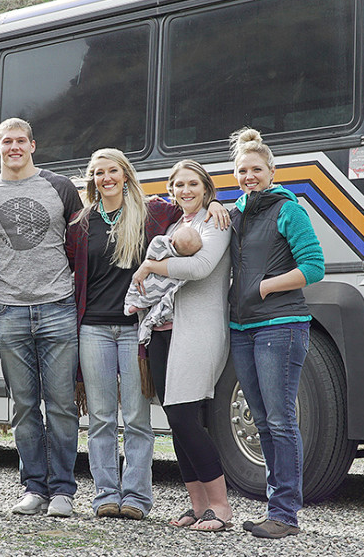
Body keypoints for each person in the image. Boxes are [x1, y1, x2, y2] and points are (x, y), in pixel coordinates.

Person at [66, 149, 228, 520]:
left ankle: (137, 498)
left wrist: (218, 201)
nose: (106, 178)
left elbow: (191, 205)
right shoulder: (81, 222)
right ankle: (106, 495)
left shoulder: (154, 212)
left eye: (113, 171)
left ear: (125, 174)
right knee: (103, 417)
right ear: (92, 179)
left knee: (138, 418)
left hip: (135, 330)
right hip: (93, 328)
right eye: (99, 173)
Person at [0, 117, 83, 518]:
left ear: (33, 145)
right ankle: (33, 488)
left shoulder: (60, 188)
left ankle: (63, 490)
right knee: (23, 406)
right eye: (6, 141)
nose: (14, 147)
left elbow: (83, 242)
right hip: (9, 310)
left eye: (20, 140)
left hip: (58, 305)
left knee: (61, 405)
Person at [226, 128, 324, 539]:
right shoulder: (236, 211)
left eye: (256, 169)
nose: (249, 176)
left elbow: (314, 266)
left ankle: (285, 514)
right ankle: (276, 508)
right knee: (264, 421)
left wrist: (265, 286)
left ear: (271, 171)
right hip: (242, 328)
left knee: (282, 421)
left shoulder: (288, 209)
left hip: (280, 326)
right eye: (242, 170)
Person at [129, 159, 233, 531]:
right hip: (162, 331)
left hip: (198, 330)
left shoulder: (217, 221)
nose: (185, 191)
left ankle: (220, 506)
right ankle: (197, 505)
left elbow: (201, 267)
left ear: (206, 188)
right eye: (178, 185)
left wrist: (150, 268)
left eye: (192, 184)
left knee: (187, 417)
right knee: (175, 420)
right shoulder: (175, 225)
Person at [123, 225, 202, 343]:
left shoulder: (161, 242)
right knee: (156, 291)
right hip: (158, 280)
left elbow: (153, 252)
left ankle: (135, 304)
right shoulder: (174, 252)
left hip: (156, 283)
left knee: (145, 289)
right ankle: (140, 305)